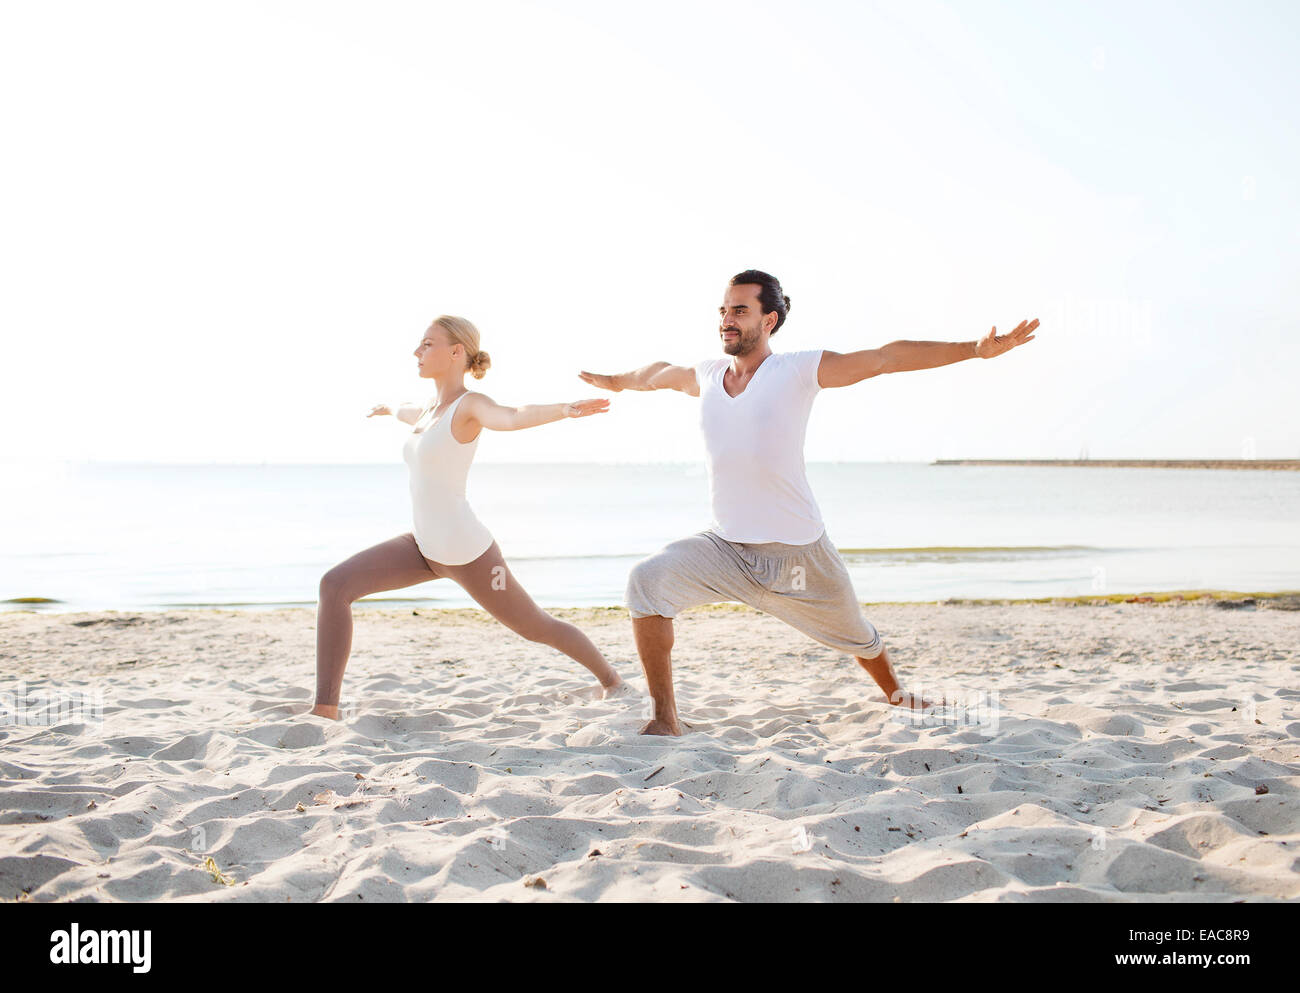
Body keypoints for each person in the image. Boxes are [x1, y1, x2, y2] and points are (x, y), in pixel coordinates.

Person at [579, 270, 1037, 735]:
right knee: (646, 583)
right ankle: (665, 719)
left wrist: (974, 350)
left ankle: (897, 694)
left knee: (857, 634)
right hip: (726, 550)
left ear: (769, 320)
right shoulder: (708, 375)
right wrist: (616, 381)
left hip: (799, 555)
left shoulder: (796, 370)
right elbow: (655, 374)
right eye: (723, 310)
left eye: (740, 310)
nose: (727, 320)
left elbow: (884, 358)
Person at [310, 315, 623, 719]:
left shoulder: (470, 406)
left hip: (468, 552)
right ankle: (325, 710)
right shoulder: (427, 411)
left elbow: (512, 416)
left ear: (456, 352)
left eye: (427, 344)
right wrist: (390, 409)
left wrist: (565, 409)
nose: (416, 352)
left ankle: (612, 681)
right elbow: (410, 414)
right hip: (422, 547)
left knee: (535, 626)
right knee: (334, 586)